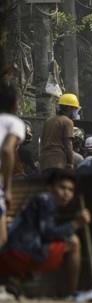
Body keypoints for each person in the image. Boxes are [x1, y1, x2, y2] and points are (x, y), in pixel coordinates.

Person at [0, 169, 91, 297]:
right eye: (62, 187)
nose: (66, 193)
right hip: (20, 254)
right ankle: (71, 293)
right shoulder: (46, 200)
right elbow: (48, 234)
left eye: (70, 190)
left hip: (15, 251)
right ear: (50, 187)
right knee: (74, 242)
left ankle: (18, 280)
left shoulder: (43, 200)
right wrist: (76, 223)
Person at [0, 83, 26, 247]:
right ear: (14, 104)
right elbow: (8, 149)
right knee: (1, 240)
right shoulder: (13, 122)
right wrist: (7, 188)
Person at [40, 93, 81, 171]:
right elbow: (68, 145)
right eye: (75, 109)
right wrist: (70, 163)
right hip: (57, 162)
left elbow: (42, 141)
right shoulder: (67, 121)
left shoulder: (49, 121)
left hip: (44, 161)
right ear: (69, 108)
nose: (76, 112)